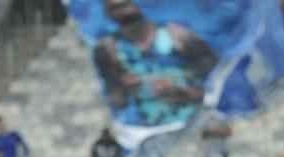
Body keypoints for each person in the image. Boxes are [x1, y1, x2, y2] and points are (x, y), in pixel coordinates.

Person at [91, 0, 218, 128]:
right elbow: (115, 100)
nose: (124, 10)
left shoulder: (177, 35)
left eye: (126, 3)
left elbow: (218, 80)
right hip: (148, 129)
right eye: (116, 7)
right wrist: (124, 89)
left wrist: (187, 93)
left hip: (196, 119)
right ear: (107, 13)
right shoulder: (107, 50)